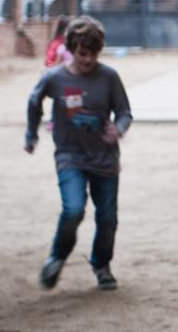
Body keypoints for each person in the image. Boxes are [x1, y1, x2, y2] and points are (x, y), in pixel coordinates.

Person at [26, 15, 132, 291]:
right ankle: (57, 257)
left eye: (94, 53)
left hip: (105, 159)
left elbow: (124, 111)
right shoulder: (54, 78)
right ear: (72, 48)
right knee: (73, 209)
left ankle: (101, 264)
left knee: (107, 217)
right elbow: (34, 101)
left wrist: (118, 129)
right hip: (70, 156)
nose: (89, 60)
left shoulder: (108, 77)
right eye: (84, 53)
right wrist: (31, 134)